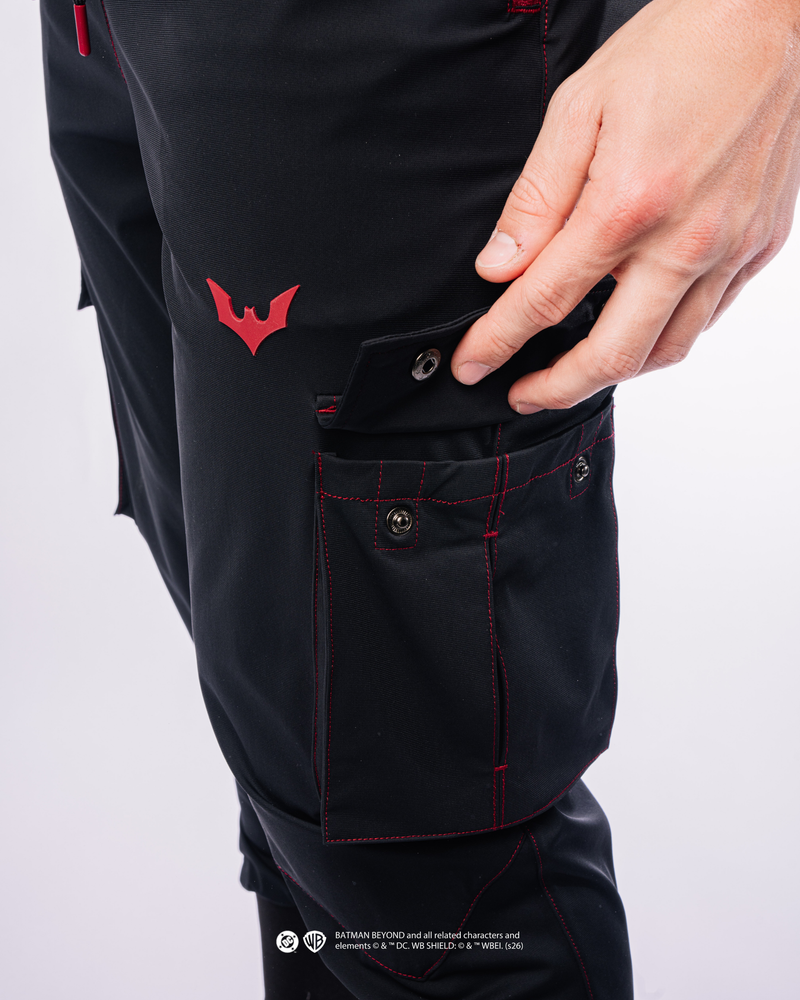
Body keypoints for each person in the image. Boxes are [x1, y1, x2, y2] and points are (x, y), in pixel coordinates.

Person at [39, 0, 800, 997]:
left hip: (382, 45)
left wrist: (761, 21)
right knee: (294, 777)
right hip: (128, 38)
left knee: (425, 864)